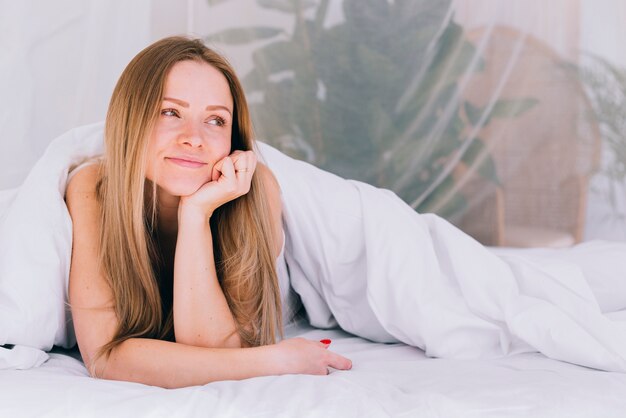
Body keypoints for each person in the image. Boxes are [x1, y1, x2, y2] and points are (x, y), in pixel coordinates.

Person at [64, 36, 352, 389]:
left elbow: (213, 349)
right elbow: (105, 358)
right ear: (131, 119)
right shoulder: (92, 187)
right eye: (170, 112)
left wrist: (196, 214)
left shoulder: (256, 186)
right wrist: (273, 360)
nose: (195, 138)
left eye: (216, 120)